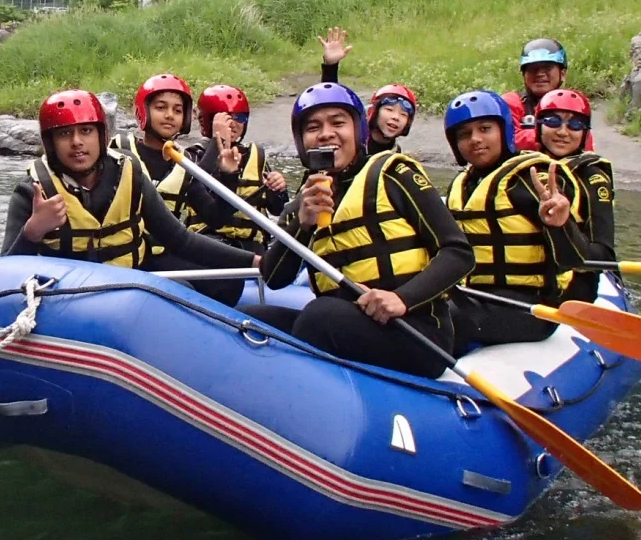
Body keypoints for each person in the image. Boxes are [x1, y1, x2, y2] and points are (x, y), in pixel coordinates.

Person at [246, 83, 473, 377]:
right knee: (251, 318)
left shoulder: (394, 173)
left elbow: (458, 252)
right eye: (313, 127)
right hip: (351, 323)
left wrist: (401, 298)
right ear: (302, 141)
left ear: (358, 130)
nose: (325, 133)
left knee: (318, 317)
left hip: (416, 332)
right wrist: (302, 225)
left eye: (338, 122)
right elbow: (274, 278)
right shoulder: (309, 197)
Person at [2, 89, 254, 285]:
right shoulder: (32, 192)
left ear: (101, 135)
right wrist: (32, 232)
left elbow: (180, 239)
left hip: (128, 286)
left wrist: (253, 262)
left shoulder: (128, 173)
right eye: (65, 134)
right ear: (51, 142)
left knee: (213, 287)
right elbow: (2, 272)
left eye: (86, 131)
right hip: (67, 296)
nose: (77, 142)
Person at [442, 89, 589, 348]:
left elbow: (577, 260)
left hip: (530, 307)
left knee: (441, 322)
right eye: (464, 134)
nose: (475, 139)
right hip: (475, 296)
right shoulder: (463, 184)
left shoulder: (533, 178)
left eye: (485, 128)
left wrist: (560, 225)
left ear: (504, 130)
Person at [108, 73, 245, 304]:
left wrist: (229, 176)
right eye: (161, 107)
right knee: (178, 287)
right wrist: (215, 140)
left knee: (229, 279)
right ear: (144, 111)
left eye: (177, 110)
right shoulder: (119, 151)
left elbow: (215, 217)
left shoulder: (182, 165)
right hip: (126, 255)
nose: (170, 115)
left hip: (162, 254)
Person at [535, 89, 615, 304]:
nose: (563, 132)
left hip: (573, 292)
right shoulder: (524, 167)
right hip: (526, 285)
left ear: (584, 133)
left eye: (575, 125)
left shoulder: (593, 177)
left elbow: (604, 256)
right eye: (553, 121)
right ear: (538, 126)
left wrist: (563, 225)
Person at [188, 84, 287, 251]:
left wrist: (278, 190)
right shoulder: (194, 156)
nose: (233, 124)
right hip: (209, 242)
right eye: (225, 118)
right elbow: (196, 189)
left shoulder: (256, 155)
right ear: (207, 121)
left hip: (252, 245)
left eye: (239, 117)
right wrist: (217, 140)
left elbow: (277, 210)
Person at [316, 26, 417, 157]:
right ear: (373, 112)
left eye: (403, 115)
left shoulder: (396, 156)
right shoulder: (351, 139)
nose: (396, 117)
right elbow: (329, 109)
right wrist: (330, 67)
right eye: (389, 110)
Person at [502, 37, 569, 150]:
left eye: (547, 68)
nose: (540, 74)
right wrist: (554, 133)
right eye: (533, 69)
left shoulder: (573, 105)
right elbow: (507, 139)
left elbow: (584, 144)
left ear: (562, 74)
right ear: (524, 75)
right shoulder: (510, 102)